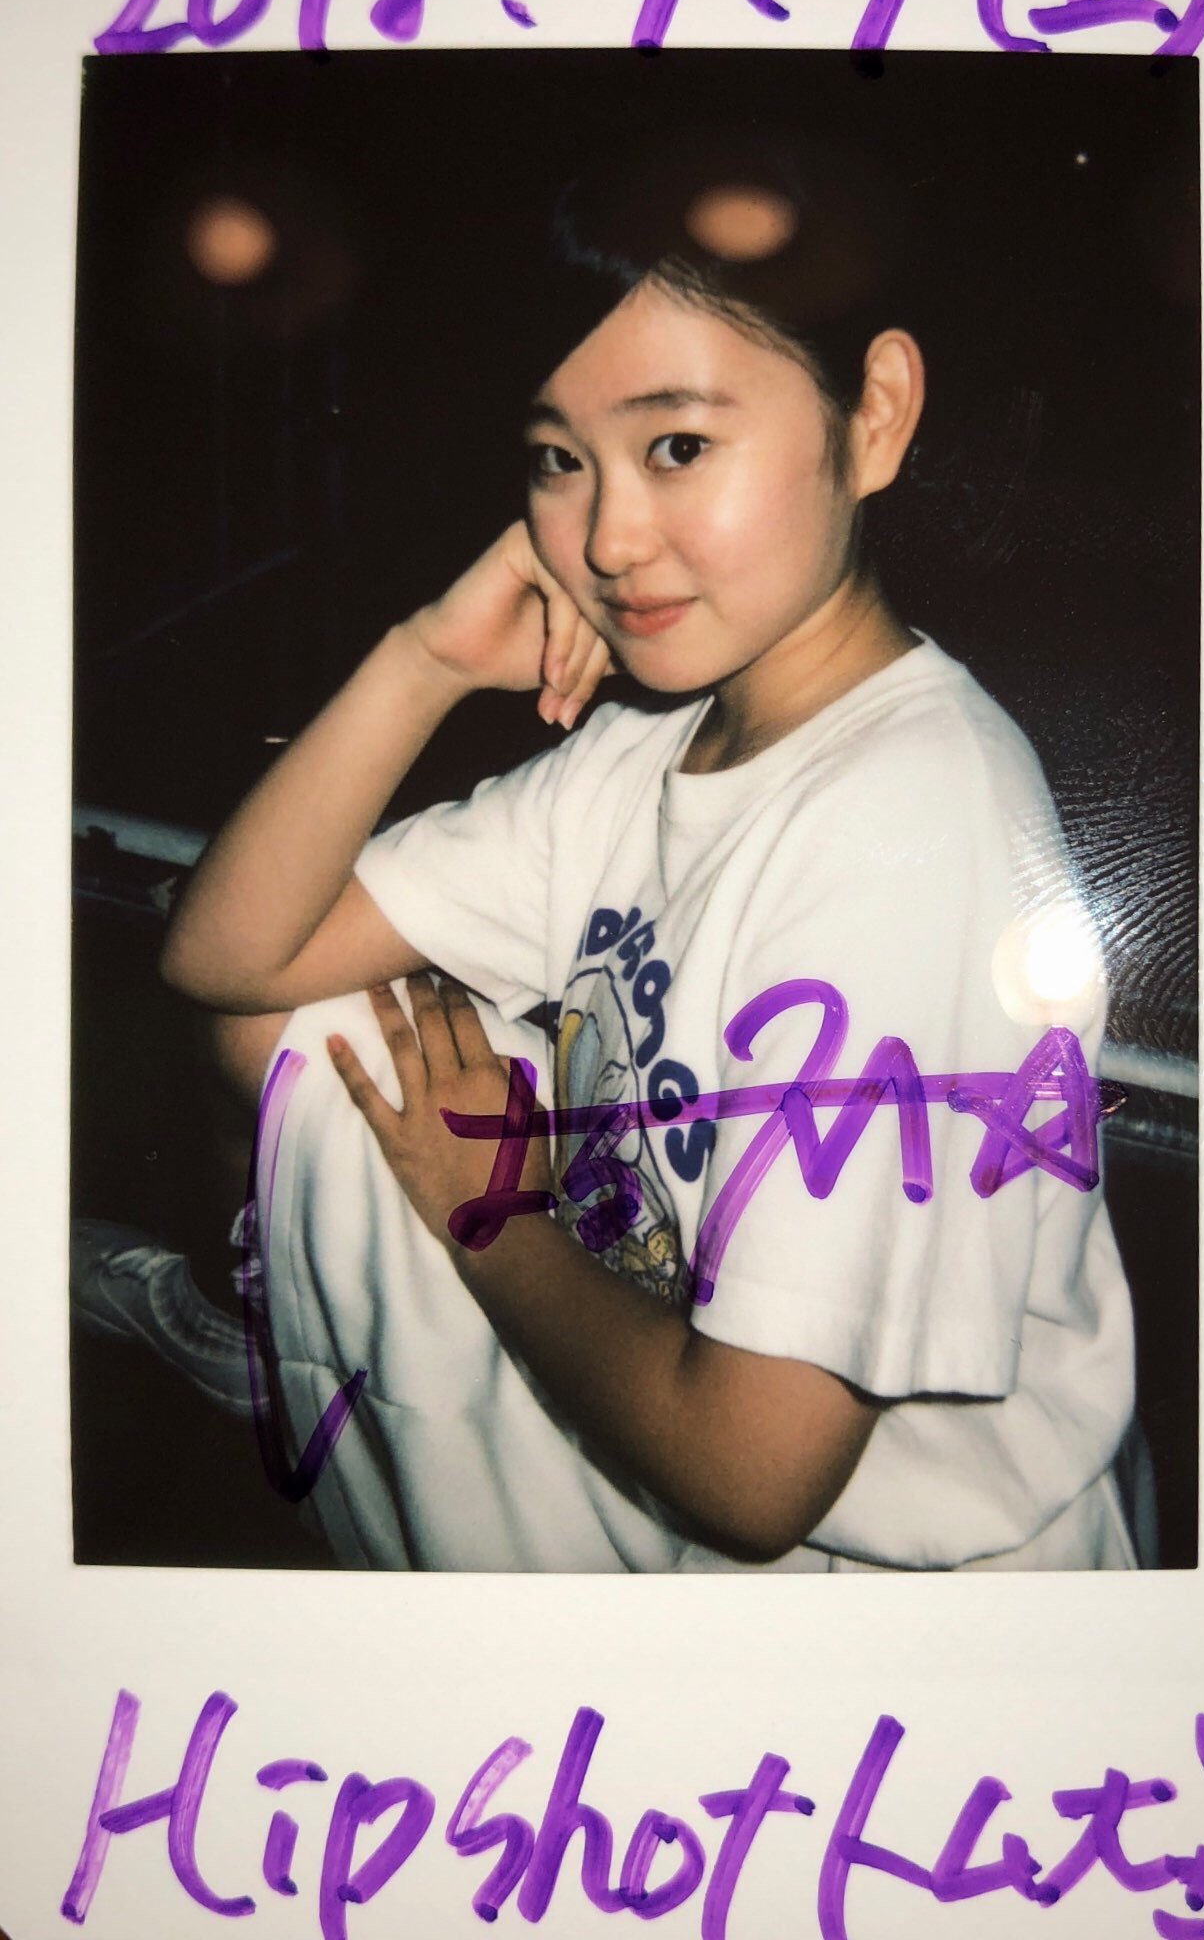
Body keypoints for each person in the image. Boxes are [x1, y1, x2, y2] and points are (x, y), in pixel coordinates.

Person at [77, 136, 1142, 1572]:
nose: (610, 539)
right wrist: (426, 658)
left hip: (880, 1585)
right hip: (660, 1330)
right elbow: (228, 959)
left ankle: (326, 1373)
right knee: (291, 1037)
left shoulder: (909, 826)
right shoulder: (658, 747)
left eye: (677, 446)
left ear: (875, 418)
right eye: (557, 461)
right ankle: (283, 1334)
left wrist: (494, 1218)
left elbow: (757, 1478)